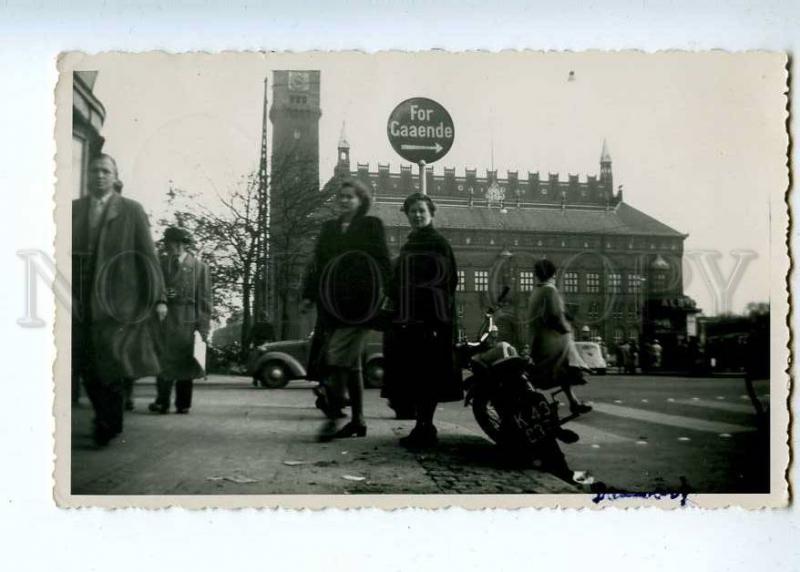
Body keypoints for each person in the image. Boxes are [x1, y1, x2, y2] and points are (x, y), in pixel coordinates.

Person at [72, 154, 166, 446]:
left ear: (115, 177)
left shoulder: (131, 210)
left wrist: (159, 297)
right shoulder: (74, 210)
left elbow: (147, 255)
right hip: (80, 300)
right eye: (94, 171)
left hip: (117, 301)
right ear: (87, 177)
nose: (99, 176)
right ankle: (105, 416)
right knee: (87, 364)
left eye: (105, 171)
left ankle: (108, 422)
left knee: (110, 364)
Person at [301, 179, 391, 441]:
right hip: (331, 304)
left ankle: (332, 411)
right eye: (340, 197)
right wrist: (309, 295)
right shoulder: (328, 228)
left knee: (336, 354)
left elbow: (383, 262)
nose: (344, 200)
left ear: (361, 200)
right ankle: (358, 420)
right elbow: (316, 264)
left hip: (361, 305)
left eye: (349, 197)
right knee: (352, 366)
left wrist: (387, 295)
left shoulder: (371, 225)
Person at [383, 192, 462, 448]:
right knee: (416, 375)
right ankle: (423, 427)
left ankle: (426, 428)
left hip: (430, 321)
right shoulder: (411, 243)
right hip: (409, 319)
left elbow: (447, 283)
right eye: (412, 211)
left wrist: (437, 322)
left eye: (421, 211)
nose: (417, 215)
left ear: (431, 213)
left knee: (427, 376)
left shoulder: (438, 243)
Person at [148, 227, 212, 414]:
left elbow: (205, 300)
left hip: (188, 319)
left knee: (186, 360)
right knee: (163, 359)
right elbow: (156, 287)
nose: (169, 248)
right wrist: (161, 301)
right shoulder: (161, 264)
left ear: (182, 244)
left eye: (173, 244)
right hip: (166, 318)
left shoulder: (200, 268)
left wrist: (203, 328)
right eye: (168, 244)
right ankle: (162, 401)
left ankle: (183, 403)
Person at [526, 258, 592, 415]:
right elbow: (554, 316)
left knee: (562, 369)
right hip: (550, 342)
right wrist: (566, 329)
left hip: (539, 339)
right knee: (563, 364)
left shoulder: (536, 290)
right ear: (553, 274)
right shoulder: (550, 290)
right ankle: (531, 405)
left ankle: (573, 402)